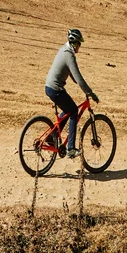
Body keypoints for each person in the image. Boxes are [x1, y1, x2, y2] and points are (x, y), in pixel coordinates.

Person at [45, 28, 99, 158]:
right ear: (75, 43)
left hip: (49, 87)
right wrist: (90, 92)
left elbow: (73, 76)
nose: (80, 47)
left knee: (68, 110)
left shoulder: (63, 49)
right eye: (79, 44)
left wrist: (79, 84)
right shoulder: (69, 55)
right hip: (56, 89)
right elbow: (79, 79)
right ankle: (71, 149)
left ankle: (52, 136)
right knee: (74, 111)